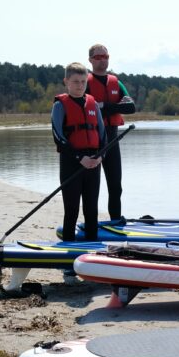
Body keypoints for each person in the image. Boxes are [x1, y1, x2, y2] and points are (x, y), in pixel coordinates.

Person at [51, 62, 106, 243]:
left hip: (93, 163)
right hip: (71, 163)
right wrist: (79, 158)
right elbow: (58, 137)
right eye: (75, 81)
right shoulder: (60, 106)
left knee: (91, 210)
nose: (80, 85)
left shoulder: (93, 104)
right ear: (66, 81)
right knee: (72, 209)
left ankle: (92, 249)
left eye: (83, 81)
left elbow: (102, 134)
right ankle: (68, 253)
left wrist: (100, 157)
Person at [86, 44, 136, 225]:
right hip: (92, 141)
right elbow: (87, 108)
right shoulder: (85, 82)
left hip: (113, 138)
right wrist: (113, 107)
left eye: (105, 56)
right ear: (90, 60)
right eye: (98, 57)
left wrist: (105, 106)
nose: (103, 60)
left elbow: (131, 107)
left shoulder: (117, 82)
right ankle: (91, 224)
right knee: (92, 188)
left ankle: (115, 222)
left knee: (116, 186)